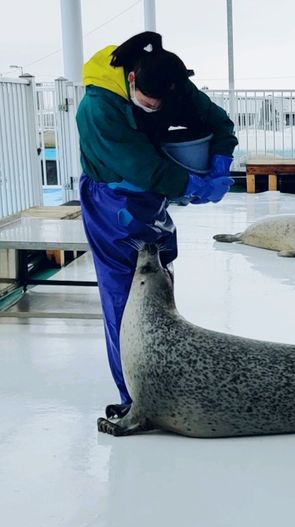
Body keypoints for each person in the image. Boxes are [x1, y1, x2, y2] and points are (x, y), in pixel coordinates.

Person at [76, 31, 238, 419]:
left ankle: (163, 372)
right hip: (112, 201)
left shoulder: (171, 84)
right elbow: (142, 167)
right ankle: (135, 395)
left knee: (159, 279)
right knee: (124, 293)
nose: (159, 107)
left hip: (153, 197)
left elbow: (219, 122)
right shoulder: (98, 107)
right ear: (132, 79)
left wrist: (220, 159)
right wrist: (190, 186)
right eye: (150, 102)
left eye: (164, 100)